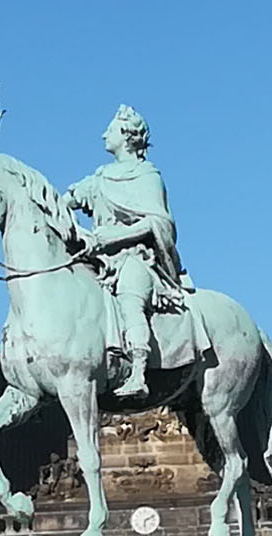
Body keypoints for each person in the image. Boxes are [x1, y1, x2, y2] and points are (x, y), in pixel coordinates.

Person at [64, 105, 189, 398]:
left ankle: (138, 372)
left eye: (110, 130)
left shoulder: (148, 176)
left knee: (130, 298)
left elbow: (158, 222)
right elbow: (65, 201)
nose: (103, 134)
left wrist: (114, 236)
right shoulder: (100, 178)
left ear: (126, 135)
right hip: (99, 261)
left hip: (135, 258)